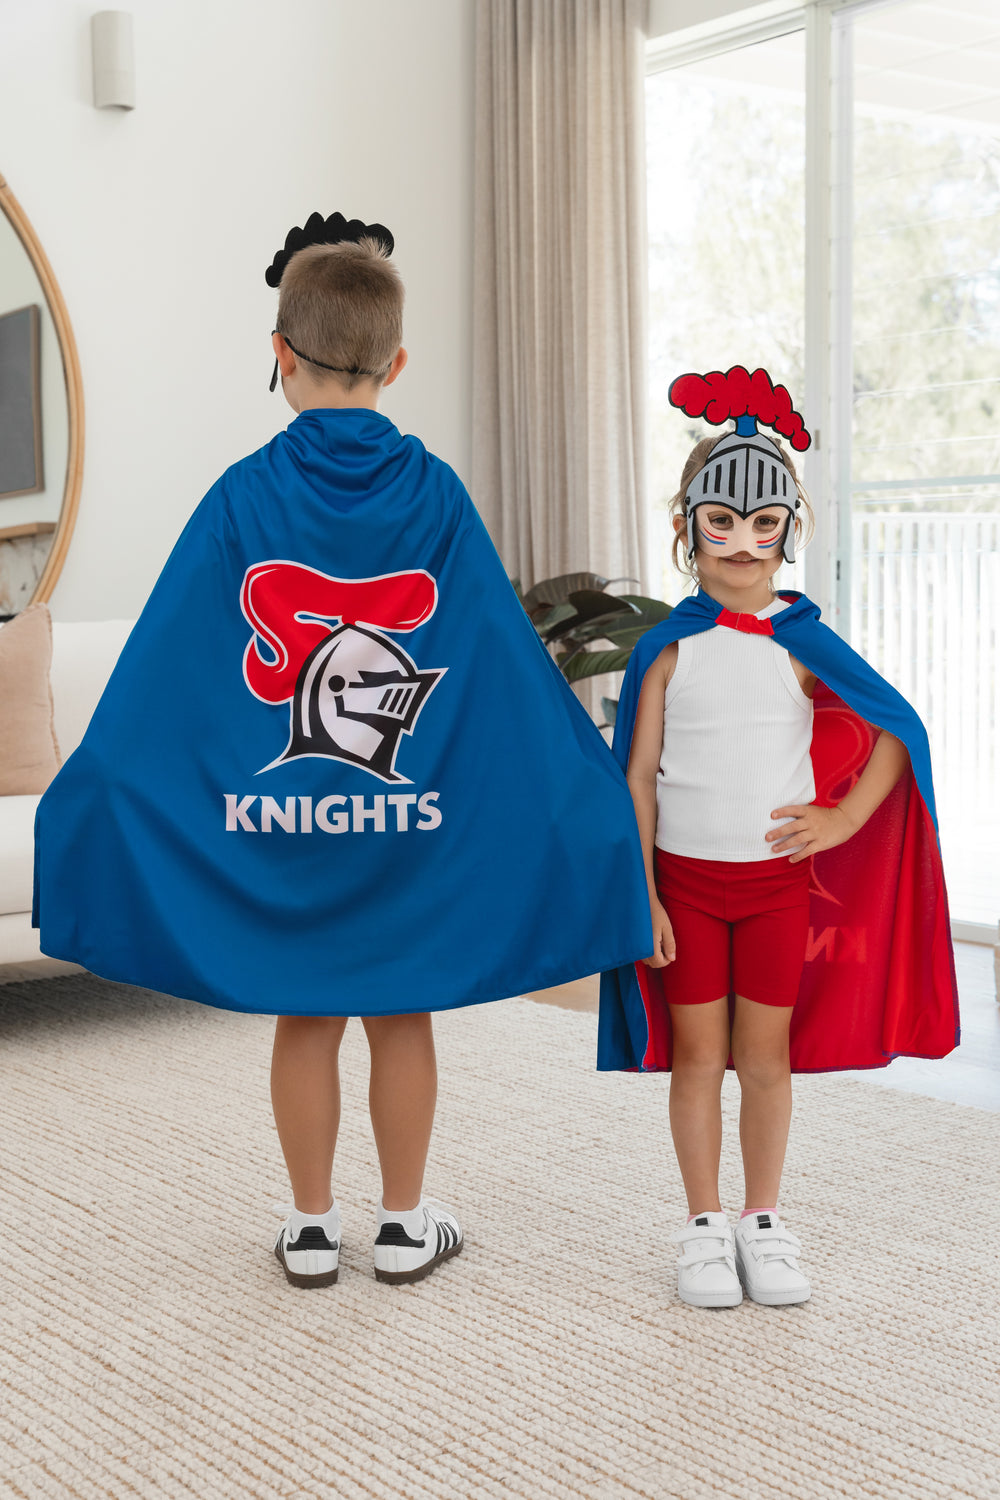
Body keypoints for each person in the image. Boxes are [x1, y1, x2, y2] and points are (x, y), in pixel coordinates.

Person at [34, 212, 651, 1290]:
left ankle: (311, 1228)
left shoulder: (242, 495)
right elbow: (498, 665)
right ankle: (406, 1224)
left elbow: (174, 661)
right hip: (406, 819)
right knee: (399, 1007)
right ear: (396, 363)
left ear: (280, 352)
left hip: (288, 821)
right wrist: (583, 790)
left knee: (307, 1010)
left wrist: (97, 783)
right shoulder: (438, 497)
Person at [598, 365, 959, 1309]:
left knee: (763, 1061)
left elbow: (897, 730)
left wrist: (843, 817)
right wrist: (639, 893)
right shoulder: (668, 647)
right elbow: (636, 776)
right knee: (694, 1060)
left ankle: (762, 1219)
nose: (746, 546)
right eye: (724, 524)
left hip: (772, 889)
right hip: (683, 884)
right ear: (689, 530)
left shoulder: (804, 644)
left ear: (789, 533)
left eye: (766, 527)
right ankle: (702, 1226)